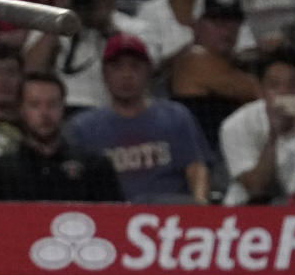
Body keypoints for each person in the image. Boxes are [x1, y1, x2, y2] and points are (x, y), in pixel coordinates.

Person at [68, 34, 212, 204]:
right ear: (105, 74)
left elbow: (195, 166)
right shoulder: (84, 127)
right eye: (117, 67)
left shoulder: (175, 116)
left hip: (171, 214)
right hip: (112, 217)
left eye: (135, 67)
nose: (126, 75)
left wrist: (201, 206)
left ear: (148, 71)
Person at [24, 0, 158, 111]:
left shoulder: (137, 29)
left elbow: (147, 70)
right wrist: (60, 21)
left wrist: (106, 26)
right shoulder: (50, 25)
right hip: (60, 114)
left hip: (114, 112)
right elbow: (30, 70)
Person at [0, 72, 124, 201]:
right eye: (35, 105)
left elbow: (113, 220)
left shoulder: (95, 167)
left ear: (63, 107)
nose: (45, 113)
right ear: (21, 109)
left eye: (52, 104)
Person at [219, 49, 295, 205]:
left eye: (293, 85)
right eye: (274, 85)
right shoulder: (236, 124)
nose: (284, 92)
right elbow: (257, 188)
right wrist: (273, 135)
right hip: (247, 209)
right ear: (261, 91)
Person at [171, 0, 262, 149]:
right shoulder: (194, 59)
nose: (226, 30)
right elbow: (257, 91)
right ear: (197, 26)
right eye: (217, 22)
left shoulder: (234, 63)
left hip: (234, 152)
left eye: (233, 22)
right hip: (204, 159)